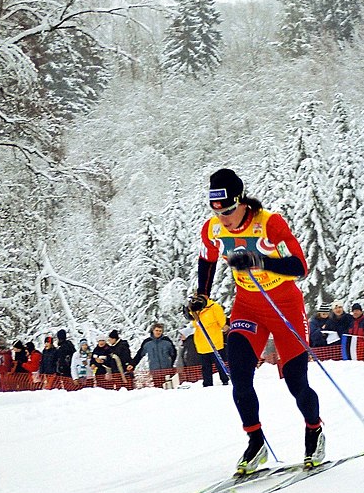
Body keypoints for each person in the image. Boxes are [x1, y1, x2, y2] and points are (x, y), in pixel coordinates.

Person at [194, 167, 325, 475]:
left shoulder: (269, 223)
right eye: (217, 211)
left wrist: (259, 261)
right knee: (239, 376)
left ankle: (315, 431)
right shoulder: (213, 229)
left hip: (285, 307)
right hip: (248, 307)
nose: (224, 218)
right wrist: (202, 295)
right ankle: (256, 443)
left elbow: (299, 267)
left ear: (242, 202)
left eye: (228, 210)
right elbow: (207, 259)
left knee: (296, 382)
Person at [183, 295, 230, 387]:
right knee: (205, 366)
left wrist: (225, 327)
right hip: (201, 341)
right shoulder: (195, 308)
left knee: (219, 363)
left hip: (214, 341)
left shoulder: (214, 307)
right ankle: (207, 384)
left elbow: (222, 323)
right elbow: (194, 322)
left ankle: (225, 380)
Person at [130, 323, 177, 388]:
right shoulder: (147, 342)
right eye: (156, 330)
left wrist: (171, 363)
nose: (158, 332)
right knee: (158, 389)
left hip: (167, 370)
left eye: (160, 331)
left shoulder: (167, 341)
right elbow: (139, 355)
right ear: (153, 331)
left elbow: (174, 353)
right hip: (155, 371)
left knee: (169, 388)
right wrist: (132, 364)